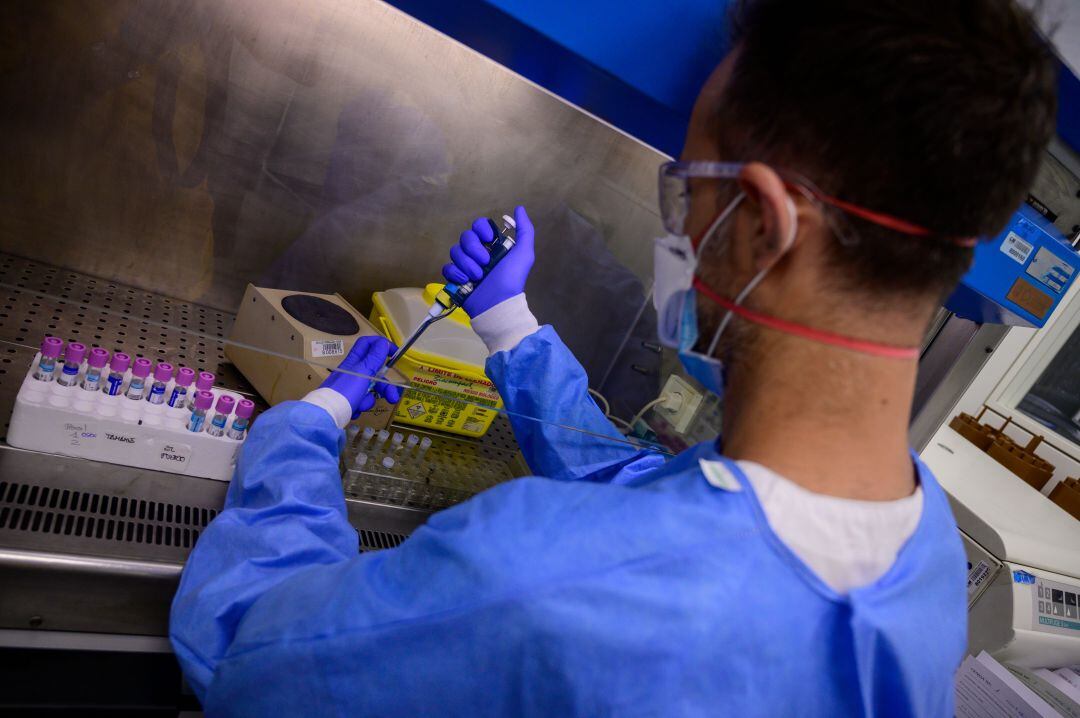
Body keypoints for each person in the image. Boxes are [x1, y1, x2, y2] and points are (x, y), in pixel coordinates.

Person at [170, 0, 1057, 714]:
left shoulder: (531, 584)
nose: (677, 230)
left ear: (760, 226)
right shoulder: (925, 547)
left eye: (685, 187)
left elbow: (254, 652)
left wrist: (305, 425)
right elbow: (655, 499)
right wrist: (510, 325)